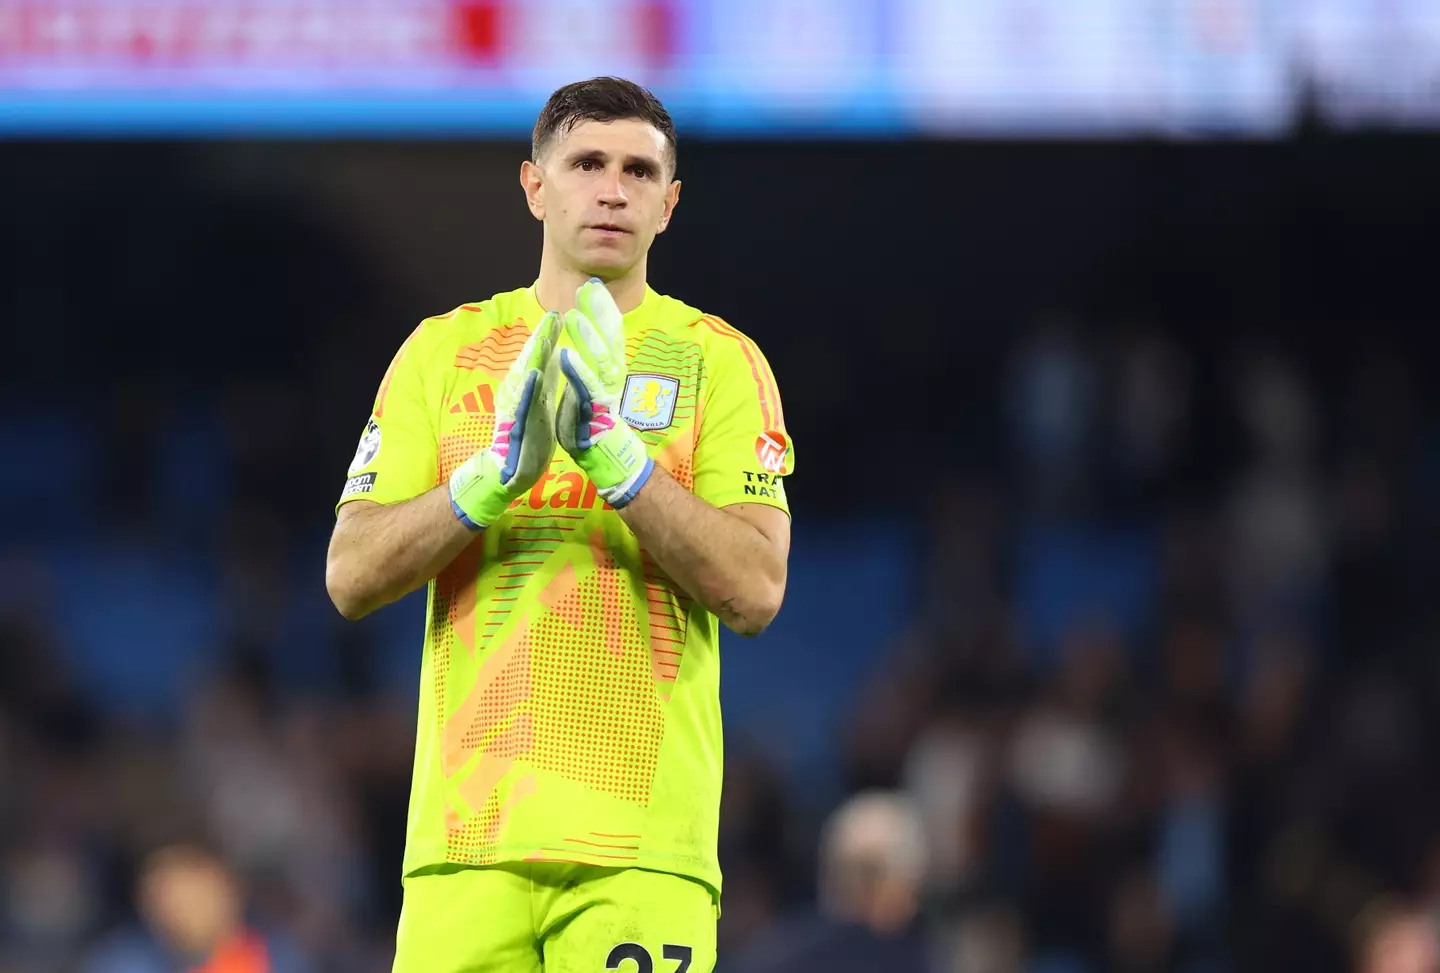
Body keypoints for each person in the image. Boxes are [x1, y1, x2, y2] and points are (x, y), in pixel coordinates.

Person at [324, 76, 794, 973]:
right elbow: (350, 575)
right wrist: (489, 480)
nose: (612, 189)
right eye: (586, 163)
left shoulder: (718, 362)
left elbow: (757, 588)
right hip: (465, 843)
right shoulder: (441, 352)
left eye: (638, 171)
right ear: (536, 185)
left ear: (670, 203)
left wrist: (620, 464)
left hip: (641, 847)